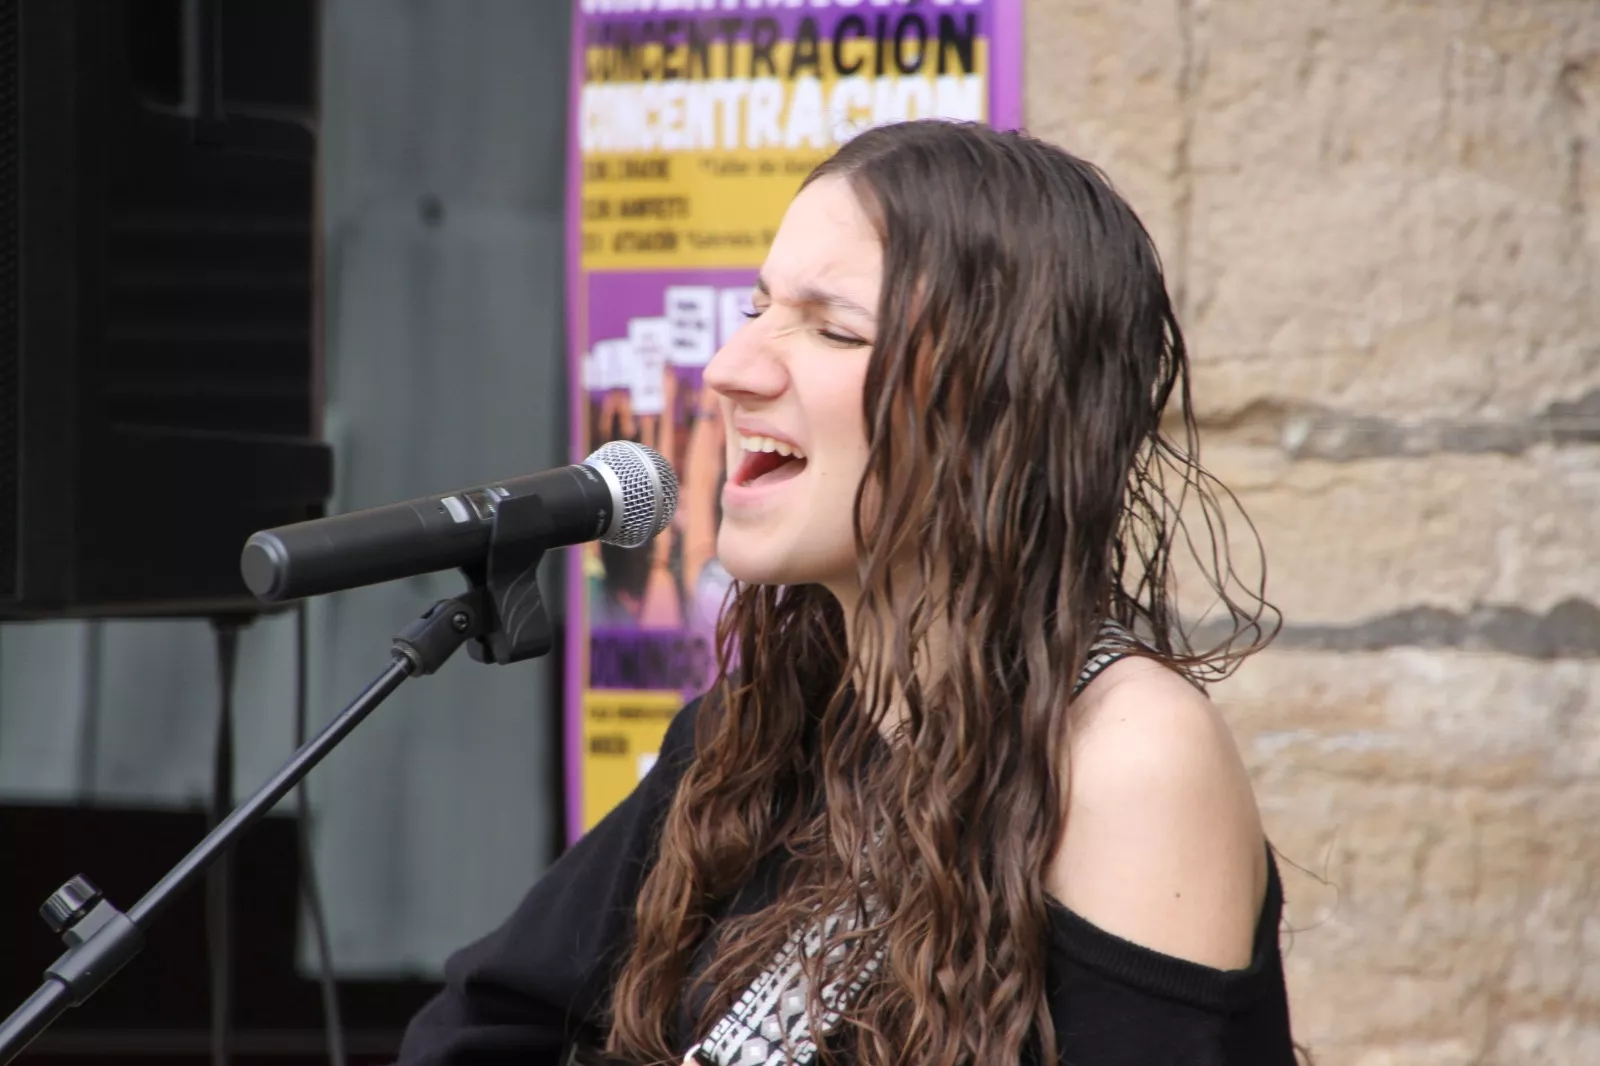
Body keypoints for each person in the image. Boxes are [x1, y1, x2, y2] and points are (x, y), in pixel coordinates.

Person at [395, 120, 1297, 1066]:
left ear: (1002, 404)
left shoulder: (1124, 759)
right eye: (757, 307)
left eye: (833, 329)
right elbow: (480, 1023)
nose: (731, 369)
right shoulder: (754, 734)